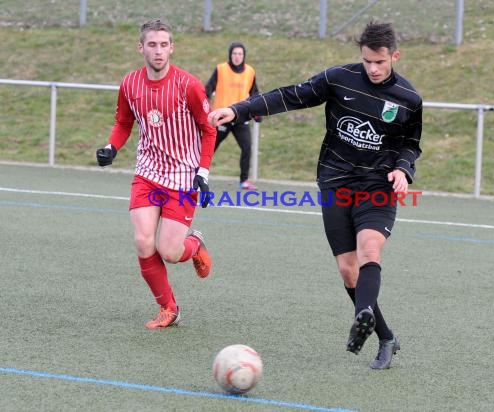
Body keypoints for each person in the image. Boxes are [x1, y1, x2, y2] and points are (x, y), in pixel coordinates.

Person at [208, 22, 422, 370]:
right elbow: (291, 94)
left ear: (394, 56)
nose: (373, 68)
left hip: (377, 187)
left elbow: (410, 145)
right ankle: (385, 335)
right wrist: (239, 110)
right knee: (347, 271)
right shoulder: (340, 78)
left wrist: (403, 170)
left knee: (370, 250)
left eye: (380, 62)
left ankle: (363, 313)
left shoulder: (409, 99)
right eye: (367, 61)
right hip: (336, 183)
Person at [95, 19, 217, 329]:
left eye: (164, 45)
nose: (158, 51)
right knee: (142, 240)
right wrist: (112, 147)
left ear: (172, 48)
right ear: (141, 48)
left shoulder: (188, 85)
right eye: (152, 45)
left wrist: (203, 171)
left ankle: (195, 245)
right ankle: (169, 308)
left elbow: (208, 128)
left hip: (182, 177)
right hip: (147, 172)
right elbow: (123, 123)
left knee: (171, 252)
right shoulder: (130, 84)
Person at [204, 42, 261, 191]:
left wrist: (257, 112)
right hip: (221, 117)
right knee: (209, 147)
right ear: (230, 54)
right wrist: (204, 107)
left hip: (240, 117)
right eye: (234, 54)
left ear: (244, 56)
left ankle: (244, 180)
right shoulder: (221, 69)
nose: (237, 57)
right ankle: (198, 175)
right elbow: (208, 89)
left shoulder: (250, 72)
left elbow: (255, 94)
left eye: (240, 54)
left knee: (247, 147)